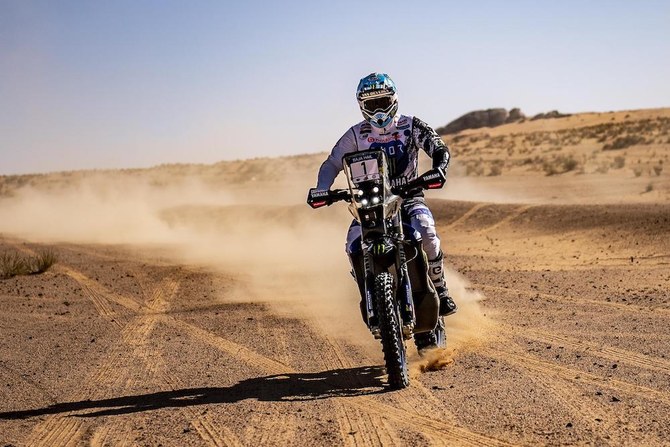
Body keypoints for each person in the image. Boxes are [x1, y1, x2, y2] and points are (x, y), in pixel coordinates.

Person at [312, 72, 457, 351]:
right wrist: (321, 188)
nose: (378, 109)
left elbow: (438, 147)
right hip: (369, 204)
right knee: (353, 244)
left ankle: (440, 289)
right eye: (372, 103)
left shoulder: (411, 126)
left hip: (409, 198)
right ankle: (372, 297)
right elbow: (331, 163)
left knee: (427, 233)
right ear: (361, 105)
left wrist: (439, 168)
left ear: (393, 100)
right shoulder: (355, 135)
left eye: (383, 101)